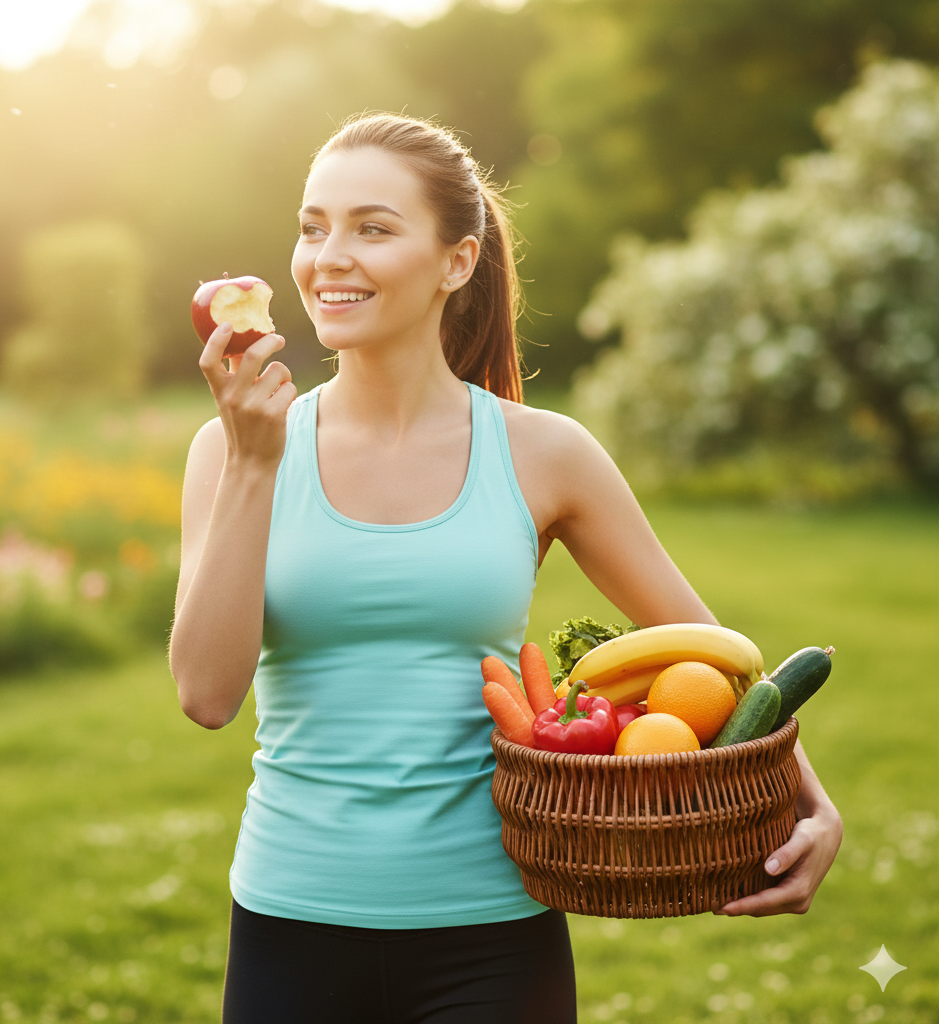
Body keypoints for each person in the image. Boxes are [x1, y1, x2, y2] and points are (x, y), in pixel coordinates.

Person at [168, 113, 843, 1024]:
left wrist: (811, 804)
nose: (329, 257)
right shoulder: (230, 449)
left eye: (373, 228)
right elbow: (207, 695)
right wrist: (255, 464)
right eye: (313, 226)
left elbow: (713, 655)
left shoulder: (545, 453)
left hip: (492, 937)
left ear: (457, 261)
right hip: (289, 925)